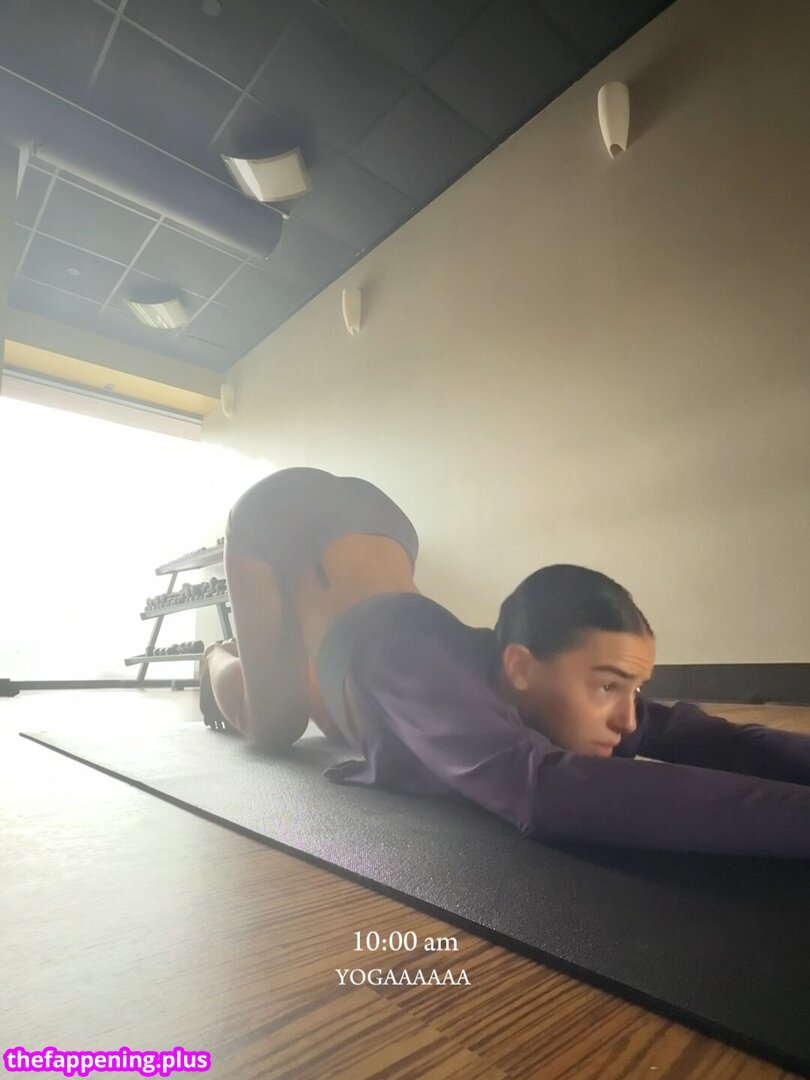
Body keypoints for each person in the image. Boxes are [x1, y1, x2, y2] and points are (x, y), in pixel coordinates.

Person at [204, 467, 810, 858]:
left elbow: (687, 731)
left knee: (328, 706)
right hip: (274, 517)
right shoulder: (417, 672)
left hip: (381, 528)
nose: (629, 719)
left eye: (628, 688)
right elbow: (544, 791)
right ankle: (215, 659)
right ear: (520, 666)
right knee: (275, 725)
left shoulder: (524, 675)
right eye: (608, 686)